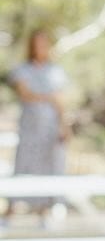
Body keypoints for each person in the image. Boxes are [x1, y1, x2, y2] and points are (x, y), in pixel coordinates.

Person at [8, 29, 69, 218]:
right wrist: (50, 97)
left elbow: (61, 104)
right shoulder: (22, 69)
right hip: (30, 129)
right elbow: (26, 94)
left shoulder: (56, 71)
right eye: (37, 43)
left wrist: (64, 126)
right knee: (23, 167)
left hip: (50, 129)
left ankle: (43, 212)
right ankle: (10, 211)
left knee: (49, 167)